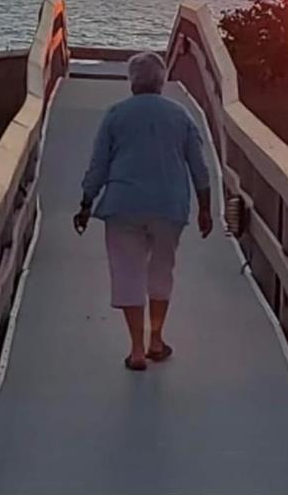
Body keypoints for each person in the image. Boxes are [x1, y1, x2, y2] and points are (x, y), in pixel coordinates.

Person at [73, 51, 213, 371]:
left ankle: (136, 350)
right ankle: (156, 340)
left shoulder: (115, 115)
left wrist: (86, 203)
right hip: (169, 206)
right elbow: (200, 167)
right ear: (162, 81)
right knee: (161, 270)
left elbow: (98, 165)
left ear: (132, 81)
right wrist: (205, 208)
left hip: (123, 204)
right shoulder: (180, 115)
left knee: (128, 272)